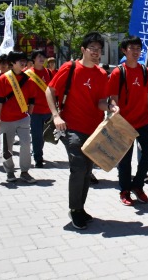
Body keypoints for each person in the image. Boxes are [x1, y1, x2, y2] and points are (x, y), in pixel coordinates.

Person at [46, 32, 118, 230]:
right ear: (83, 50)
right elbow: (50, 91)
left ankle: (80, 208)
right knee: (78, 168)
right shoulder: (69, 68)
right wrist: (56, 115)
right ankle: (75, 210)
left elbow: (100, 102)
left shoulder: (101, 74)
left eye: (99, 50)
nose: (96, 53)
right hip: (72, 127)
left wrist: (110, 106)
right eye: (92, 49)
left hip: (93, 130)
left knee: (87, 170)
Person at [107, 36, 148, 206]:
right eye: (132, 48)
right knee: (125, 160)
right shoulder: (117, 72)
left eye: (138, 48)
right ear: (124, 50)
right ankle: (124, 190)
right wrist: (114, 110)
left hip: (143, 121)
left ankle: (138, 184)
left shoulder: (145, 71)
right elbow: (113, 98)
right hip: (124, 123)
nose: (136, 52)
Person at [0, 51, 37, 183]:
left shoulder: (29, 79)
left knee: (25, 144)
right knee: (7, 148)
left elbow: (32, 99)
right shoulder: (3, 78)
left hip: (23, 118)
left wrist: (29, 113)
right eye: (20, 61)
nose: (23, 63)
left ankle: (24, 171)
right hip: (6, 119)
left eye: (24, 60)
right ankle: (10, 171)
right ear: (12, 63)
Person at [25, 50, 53, 168]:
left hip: (48, 110)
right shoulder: (27, 74)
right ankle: (38, 158)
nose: (42, 59)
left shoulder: (49, 73)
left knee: (44, 136)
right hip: (34, 111)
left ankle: (37, 151)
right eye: (39, 57)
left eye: (43, 57)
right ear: (34, 59)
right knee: (36, 135)